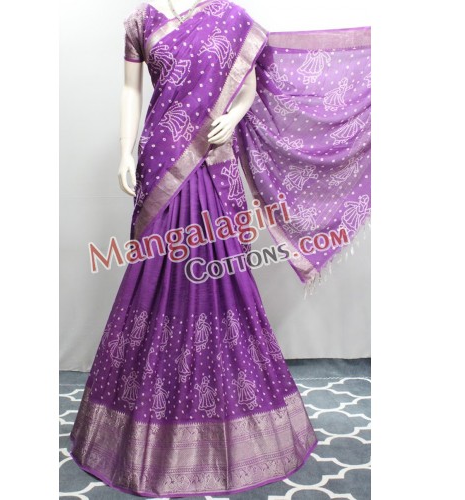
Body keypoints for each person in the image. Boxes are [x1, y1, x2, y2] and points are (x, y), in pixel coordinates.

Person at [69, 0, 371, 496]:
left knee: (217, 277)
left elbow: (247, 81)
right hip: (160, 159)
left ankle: (224, 418)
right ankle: (143, 426)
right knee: (156, 277)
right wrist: (125, 151)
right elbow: (131, 89)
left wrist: (234, 117)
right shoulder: (141, 21)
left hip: (211, 161)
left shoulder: (230, 17)